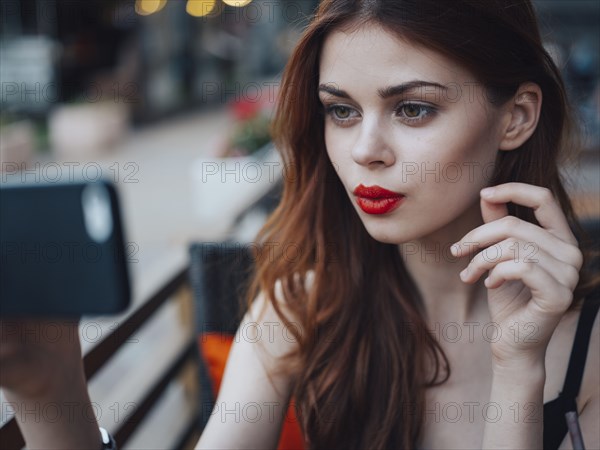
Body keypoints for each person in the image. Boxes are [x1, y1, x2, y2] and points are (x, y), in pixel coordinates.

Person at [1, 1, 598, 449]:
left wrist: (519, 371)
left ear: (515, 117)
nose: (365, 150)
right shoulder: (300, 309)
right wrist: (51, 390)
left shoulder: (587, 346)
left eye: (413, 108)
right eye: (341, 110)